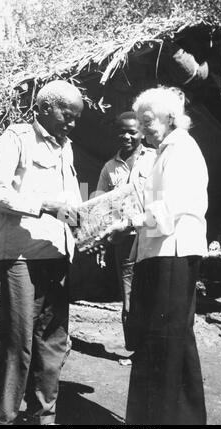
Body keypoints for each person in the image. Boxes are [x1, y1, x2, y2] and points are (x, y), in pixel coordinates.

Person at [0, 80, 84, 425]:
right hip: (21, 256)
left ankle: (44, 416)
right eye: (67, 116)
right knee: (18, 342)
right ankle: (4, 417)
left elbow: (72, 200)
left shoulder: (67, 148)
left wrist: (89, 219)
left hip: (56, 254)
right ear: (43, 108)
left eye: (75, 119)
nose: (71, 124)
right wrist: (42, 205)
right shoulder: (18, 138)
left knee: (53, 342)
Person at [125, 86, 208, 425]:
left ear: (170, 118)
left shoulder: (182, 150)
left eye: (147, 121)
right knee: (169, 340)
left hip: (172, 253)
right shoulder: (162, 152)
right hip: (158, 253)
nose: (142, 128)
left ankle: (160, 421)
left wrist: (130, 220)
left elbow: (167, 211)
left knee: (166, 341)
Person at [96, 111, 156, 356]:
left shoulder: (155, 158)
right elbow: (97, 201)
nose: (127, 136)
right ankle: (134, 349)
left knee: (154, 290)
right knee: (129, 294)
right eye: (122, 131)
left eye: (132, 131)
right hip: (125, 239)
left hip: (153, 234)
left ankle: (153, 349)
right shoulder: (109, 168)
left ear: (142, 132)